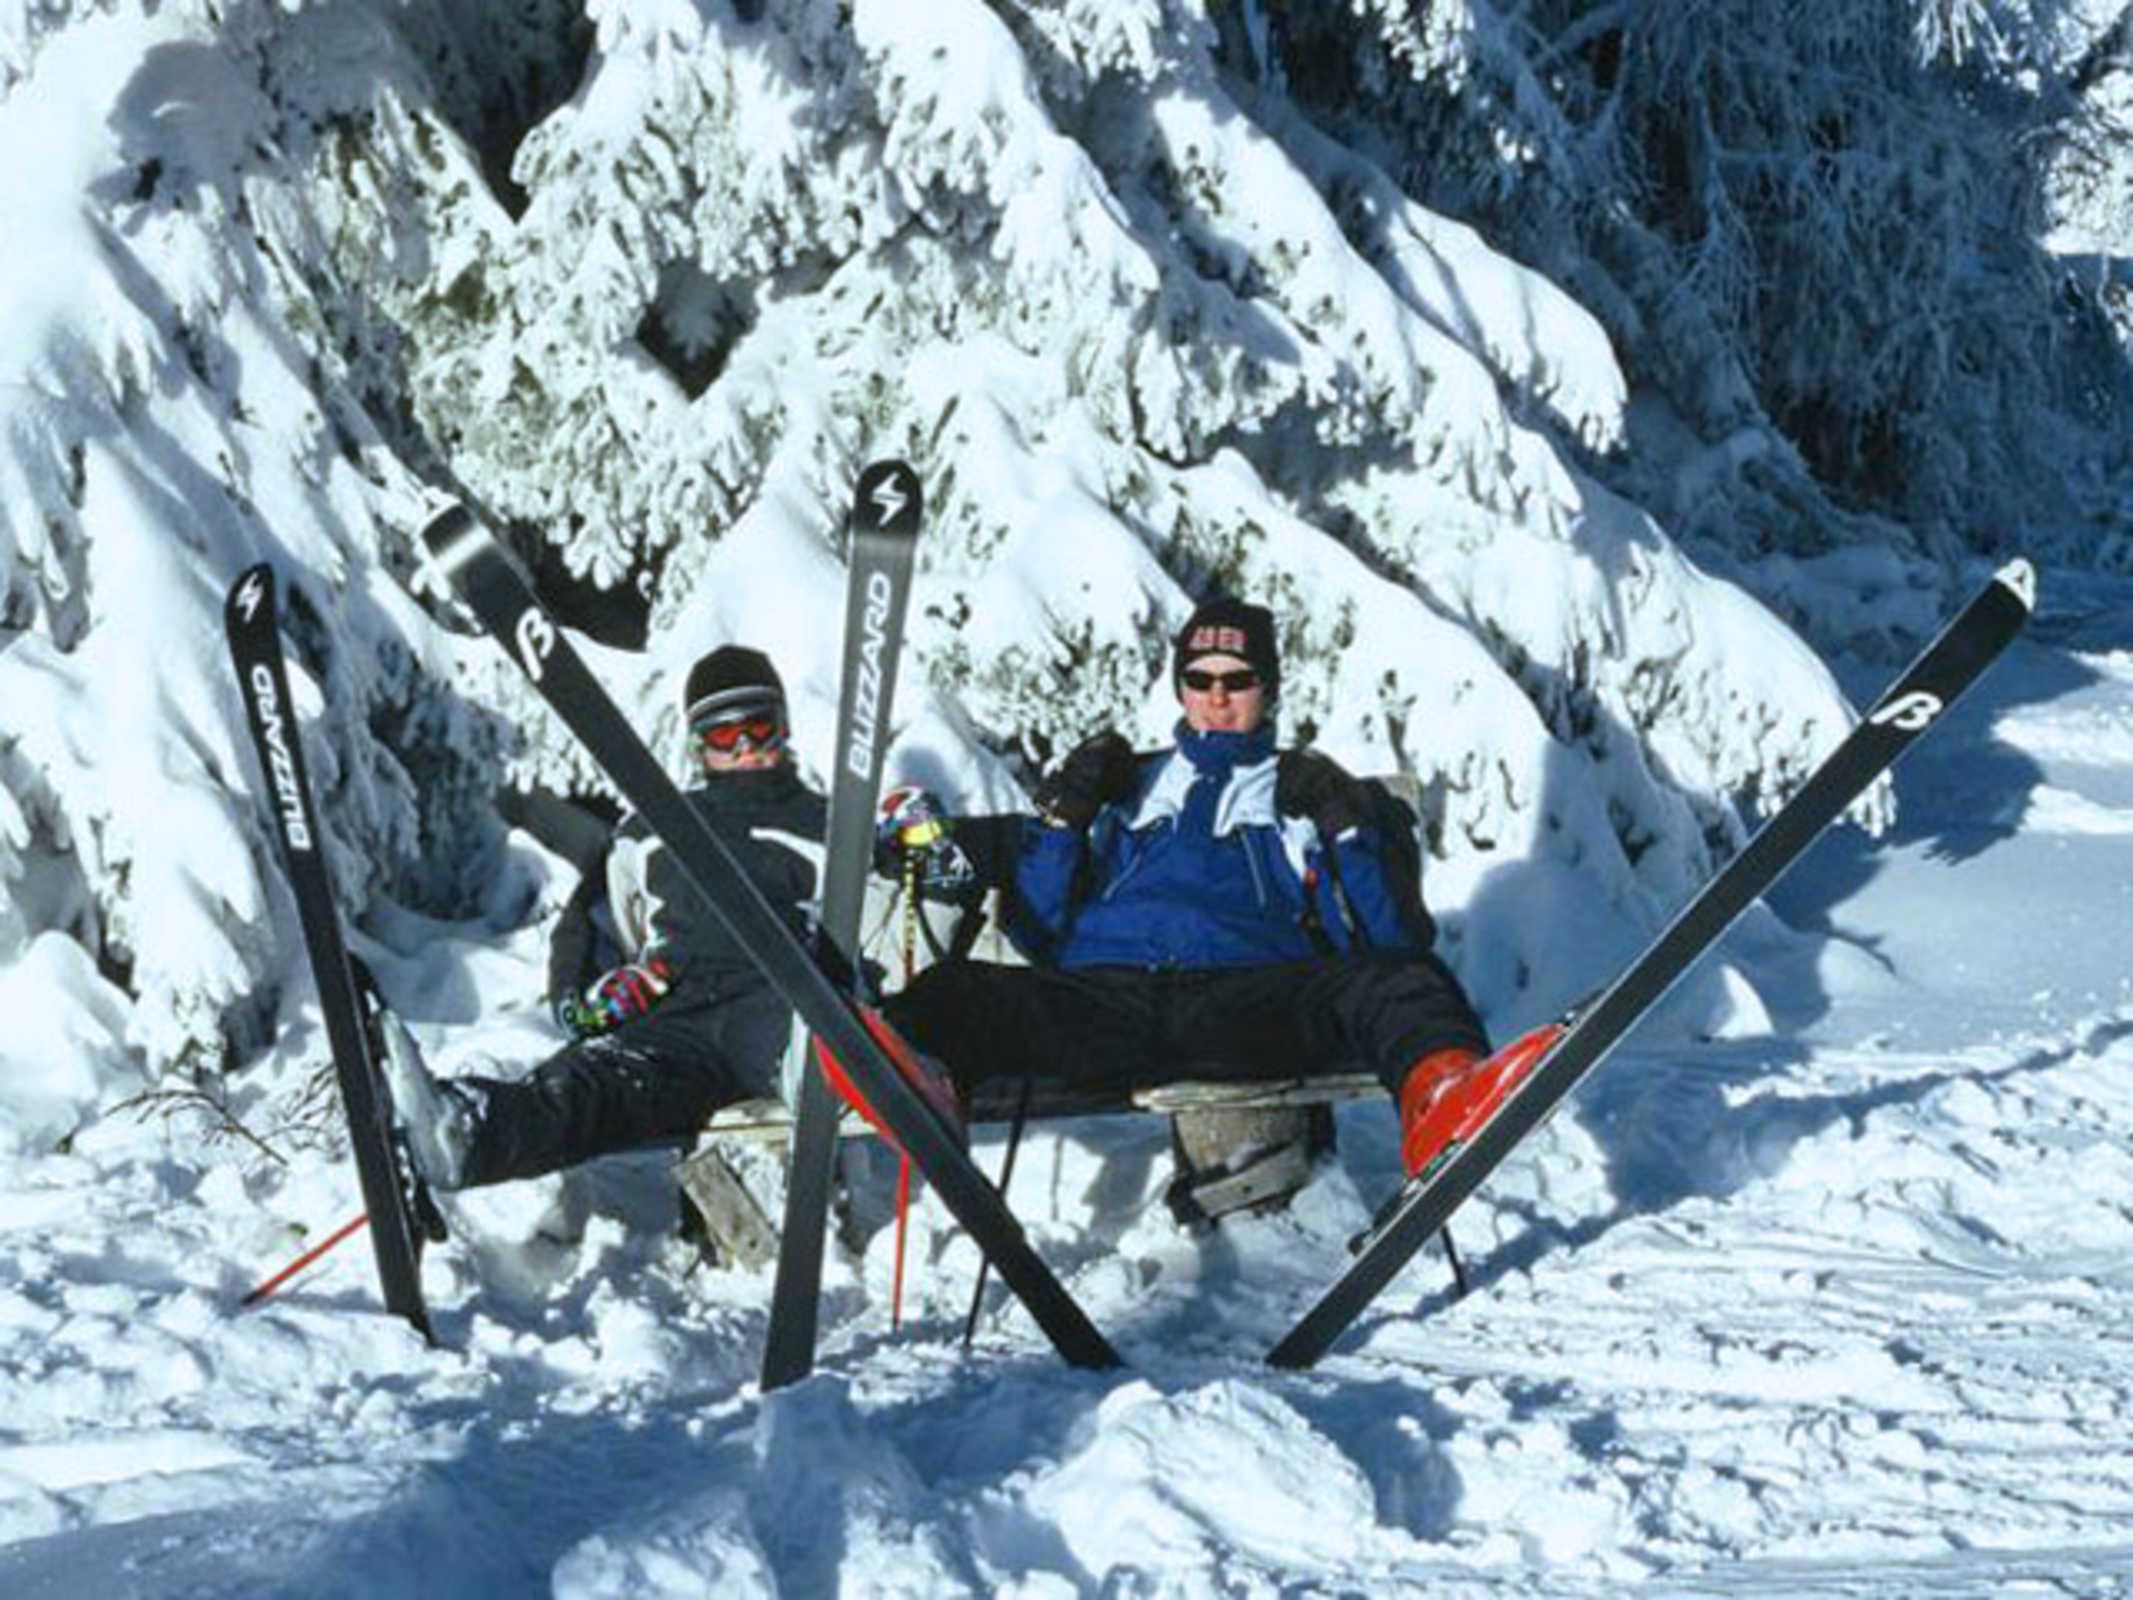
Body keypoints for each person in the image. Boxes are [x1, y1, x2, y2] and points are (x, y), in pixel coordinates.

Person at [879, 596, 1502, 1179]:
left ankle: (1443, 1094)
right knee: (956, 992)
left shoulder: (1295, 788)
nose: (1217, 698)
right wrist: (1064, 819)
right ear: (1180, 688)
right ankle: (911, 1089)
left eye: (1238, 680)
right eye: (1200, 680)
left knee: (1405, 983)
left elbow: (1387, 939)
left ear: (1268, 688)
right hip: (1109, 1001)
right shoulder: (1131, 784)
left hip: (1248, 1004)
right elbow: (1040, 929)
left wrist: (1347, 824)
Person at [380, 646, 827, 1191]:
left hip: (786, 1014)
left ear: (783, 727)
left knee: (804, 1053)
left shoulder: (831, 827)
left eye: (758, 727)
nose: (745, 748)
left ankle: (813, 1113)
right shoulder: (654, 831)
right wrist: (587, 1003)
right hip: (682, 1021)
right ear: (698, 745)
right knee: (596, 1081)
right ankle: (469, 1130)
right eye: (724, 735)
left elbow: (887, 933)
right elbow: (591, 926)